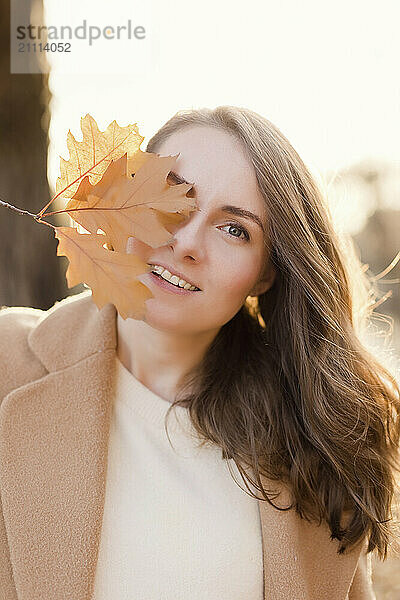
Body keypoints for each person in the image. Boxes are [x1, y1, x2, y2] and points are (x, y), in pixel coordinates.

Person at [0, 105, 398, 599]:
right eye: (172, 196)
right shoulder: (7, 364)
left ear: (265, 275)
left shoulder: (312, 446)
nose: (187, 242)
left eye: (235, 229)